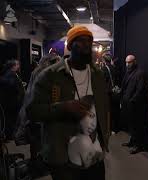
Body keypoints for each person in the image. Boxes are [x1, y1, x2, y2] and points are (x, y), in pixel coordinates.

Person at [26, 26, 111, 180]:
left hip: (95, 153)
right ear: (70, 46)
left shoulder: (98, 75)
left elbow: (104, 109)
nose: (86, 45)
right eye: (81, 41)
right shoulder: (50, 75)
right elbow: (32, 111)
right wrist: (64, 107)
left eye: (89, 41)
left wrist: (105, 138)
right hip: (63, 157)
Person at [120, 55, 148, 154]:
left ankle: (138, 145)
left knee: (137, 125)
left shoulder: (140, 73)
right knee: (131, 125)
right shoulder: (128, 73)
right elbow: (124, 87)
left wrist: (132, 101)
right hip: (128, 104)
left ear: (135, 62)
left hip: (136, 106)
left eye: (130, 62)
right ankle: (132, 141)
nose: (127, 64)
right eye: (126, 62)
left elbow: (140, 90)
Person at [0, 60, 25, 140]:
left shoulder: (14, 74)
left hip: (13, 100)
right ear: (13, 66)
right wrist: (18, 86)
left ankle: (11, 134)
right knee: (11, 119)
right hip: (11, 101)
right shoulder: (9, 74)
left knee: (12, 118)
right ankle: (9, 135)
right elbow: (11, 85)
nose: (18, 66)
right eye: (17, 64)